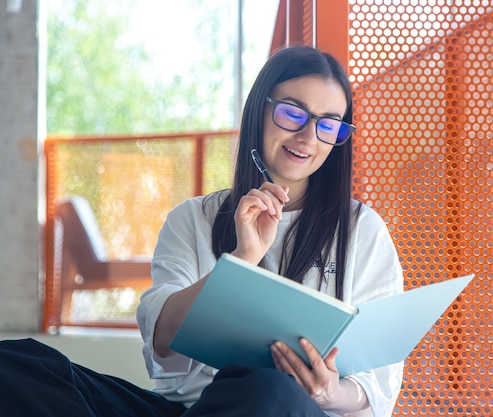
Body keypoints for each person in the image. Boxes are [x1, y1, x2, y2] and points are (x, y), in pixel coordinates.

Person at [0, 45, 404, 417]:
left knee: (268, 389)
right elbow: (162, 344)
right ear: (259, 111)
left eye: (328, 125)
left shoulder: (361, 230)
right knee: (21, 366)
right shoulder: (193, 217)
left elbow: (380, 380)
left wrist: (328, 393)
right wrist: (241, 259)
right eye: (293, 113)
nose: (307, 137)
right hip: (193, 410)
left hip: (287, 409)